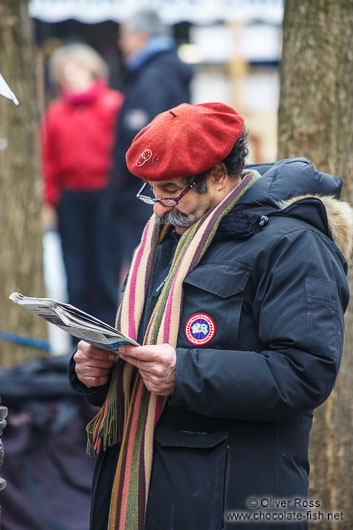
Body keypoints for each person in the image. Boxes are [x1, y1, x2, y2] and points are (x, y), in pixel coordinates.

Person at [70, 102, 352, 530]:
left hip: (230, 496)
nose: (160, 207)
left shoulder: (292, 244)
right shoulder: (160, 239)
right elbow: (137, 343)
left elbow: (306, 372)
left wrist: (185, 371)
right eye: (152, 190)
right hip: (145, 490)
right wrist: (93, 370)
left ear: (219, 177)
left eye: (171, 189)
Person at [106, 8, 193, 286]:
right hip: (158, 194)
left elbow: (146, 145)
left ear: (141, 36)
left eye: (124, 36)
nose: (121, 43)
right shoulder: (164, 70)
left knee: (143, 274)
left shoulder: (153, 77)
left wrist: (120, 183)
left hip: (144, 197)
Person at [41, 43, 123, 326]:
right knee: (75, 272)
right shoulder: (56, 113)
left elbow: (122, 151)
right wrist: (51, 199)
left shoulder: (112, 104)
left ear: (92, 69)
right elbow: (48, 158)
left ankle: (111, 335)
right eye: (66, 72)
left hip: (104, 196)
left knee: (105, 269)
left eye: (77, 69)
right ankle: (78, 341)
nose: (72, 76)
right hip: (71, 199)